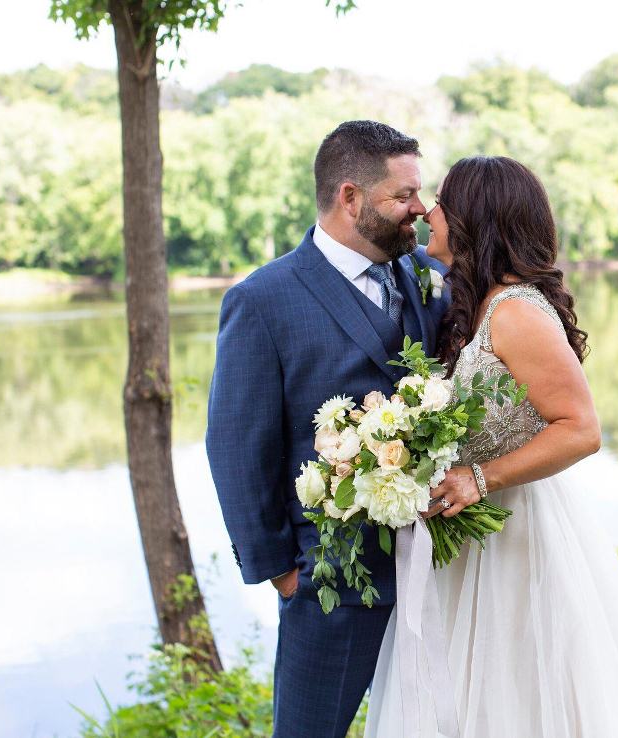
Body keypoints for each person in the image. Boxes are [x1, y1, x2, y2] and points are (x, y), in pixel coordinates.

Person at [364, 156, 618, 737]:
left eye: (443, 202)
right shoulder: (477, 308)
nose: (430, 211)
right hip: (473, 540)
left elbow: (580, 428)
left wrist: (478, 480)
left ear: (474, 218)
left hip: (516, 537)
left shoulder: (517, 312)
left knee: (521, 692)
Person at [205, 120, 449, 738]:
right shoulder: (263, 300)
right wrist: (281, 570)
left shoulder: (423, 273)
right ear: (349, 197)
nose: (419, 210)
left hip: (439, 564)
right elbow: (236, 444)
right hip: (332, 577)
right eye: (403, 197)